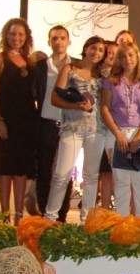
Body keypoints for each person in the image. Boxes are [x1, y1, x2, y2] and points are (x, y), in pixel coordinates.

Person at [44, 36, 106, 223]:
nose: (96, 53)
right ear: (86, 48)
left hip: (96, 129)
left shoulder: (102, 76)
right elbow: (55, 98)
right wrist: (76, 106)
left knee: (91, 177)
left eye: (101, 50)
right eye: (93, 48)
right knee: (61, 175)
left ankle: (87, 220)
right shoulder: (69, 69)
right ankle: (50, 218)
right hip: (72, 127)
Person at [0, 18, 39, 225]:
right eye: (12, 34)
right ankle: (4, 214)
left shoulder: (31, 61)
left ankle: (19, 215)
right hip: (6, 118)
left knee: (21, 169)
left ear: (26, 37)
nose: (16, 38)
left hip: (27, 120)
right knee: (5, 168)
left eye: (20, 34)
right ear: (6, 36)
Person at [100, 41, 140, 217]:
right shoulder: (110, 81)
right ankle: (121, 223)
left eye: (131, 55)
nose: (127, 59)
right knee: (121, 181)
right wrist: (118, 133)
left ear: (137, 57)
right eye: (123, 56)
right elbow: (104, 108)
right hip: (116, 134)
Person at [33, 25, 76, 222]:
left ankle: (61, 215)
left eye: (62, 38)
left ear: (69, 41)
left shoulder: (75, 66)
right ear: (49, 42)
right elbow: (34, 93)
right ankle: (45, 212)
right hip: (46, 124)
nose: (59, 42)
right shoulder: (41, 67)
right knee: (44, 170)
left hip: (69, 124)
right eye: (54, 38)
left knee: (65, 172)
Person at [98, 40, 119, 209]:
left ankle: (108, 209)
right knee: (96, 172)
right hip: (97, 128)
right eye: (108, 52)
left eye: (114, 53)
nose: (111, 56)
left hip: (114, 129)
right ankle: (96, 210)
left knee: (111, 172)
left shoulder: (121, 76)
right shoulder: (95, 73)